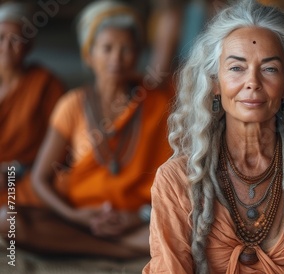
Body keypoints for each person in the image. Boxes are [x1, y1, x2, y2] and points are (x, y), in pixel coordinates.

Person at [144, 1, 284, 273]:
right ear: (214, 83)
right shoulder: (176, 180)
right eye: (236, 68)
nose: (253, 82)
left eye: (269, 69)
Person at [1, 0, 173, 259]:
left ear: (138, 55)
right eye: (107, 48)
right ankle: (118, 251)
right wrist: (74, 215)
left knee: (187, 230)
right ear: (88, 55)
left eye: (126, 49)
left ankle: (99, 245)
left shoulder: (158, 104)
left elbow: (176, 180)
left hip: (137, 219)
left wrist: (138, 216)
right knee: (8, 220)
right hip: (75, 215)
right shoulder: (73, 104)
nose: (116, 58)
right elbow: (39, 179)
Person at [0, 2, 65, 207]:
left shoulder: (46, 85)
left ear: (28, 44)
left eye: (15, 39)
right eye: (0, 38)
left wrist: (11, 171)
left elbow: (63, 150)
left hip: (25, 178)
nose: (6, 47)